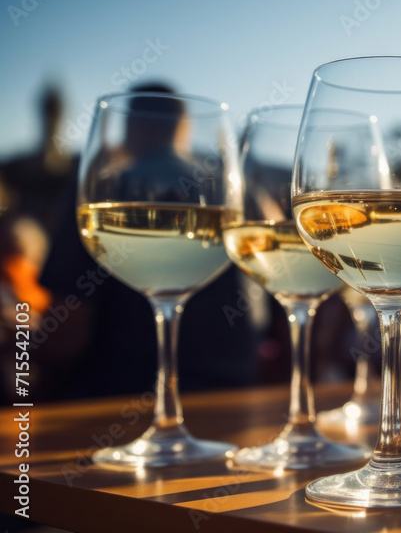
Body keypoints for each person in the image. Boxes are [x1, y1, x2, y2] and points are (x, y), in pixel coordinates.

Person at [35, 82, 261, 400]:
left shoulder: (106, 188)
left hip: (118, 399)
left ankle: (166, 420)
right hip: (237, 396)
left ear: (129, 126)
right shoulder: (235, 192)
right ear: (184, 128)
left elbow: (65, 328)